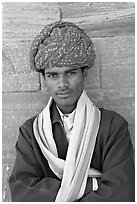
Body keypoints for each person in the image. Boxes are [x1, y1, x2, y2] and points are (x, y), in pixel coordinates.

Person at [9, 21, 135, 202]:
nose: (62, 84)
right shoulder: (30, 133)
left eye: (71, 73)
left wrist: (60, 190)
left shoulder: (113, 127)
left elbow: (121, 192)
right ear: (44, 79)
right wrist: (92, 185)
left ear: (84, 74)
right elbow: (21, 191)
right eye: (53, 75)